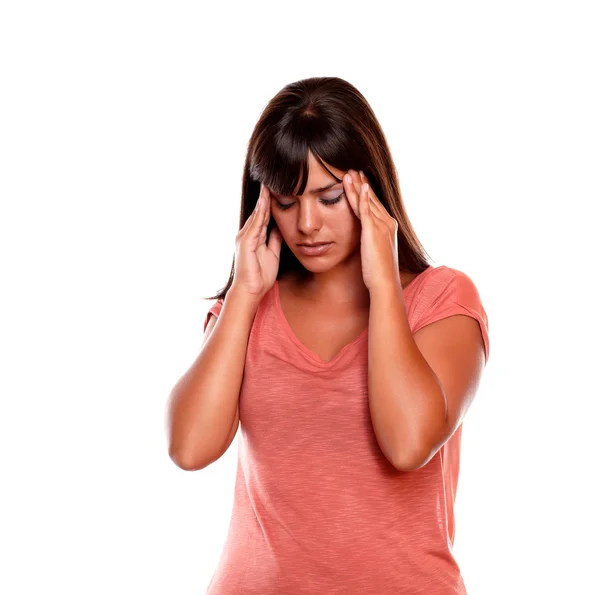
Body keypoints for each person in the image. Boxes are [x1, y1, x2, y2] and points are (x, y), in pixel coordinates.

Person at [166, 76, 490, 595]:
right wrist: (245, 295)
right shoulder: (245, 310)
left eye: (330, 196)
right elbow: (189, 447)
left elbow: (408, 443)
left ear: (371, 189)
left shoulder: (441, 301)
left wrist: (383, 282)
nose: (308, 223)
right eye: (288, 201)